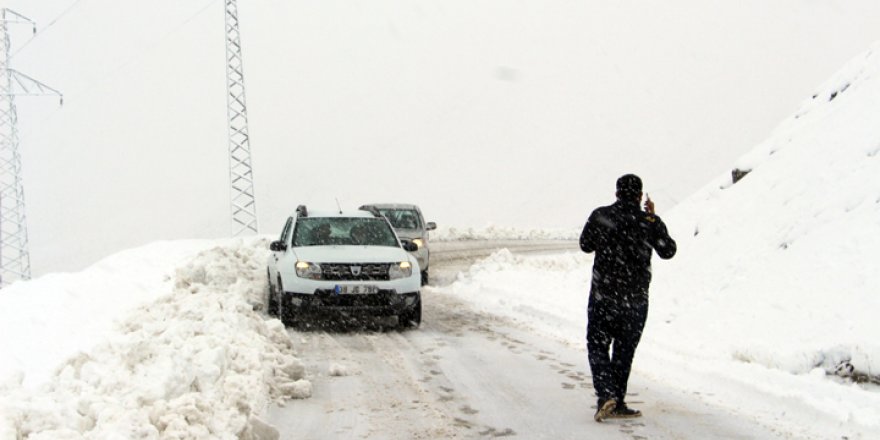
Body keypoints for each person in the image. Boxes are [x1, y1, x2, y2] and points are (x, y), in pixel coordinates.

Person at [579, 174, 677, 422]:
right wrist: (652, 219)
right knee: (624, 350)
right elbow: (668, 250)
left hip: (604, 295)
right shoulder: (648, 220)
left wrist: (607, 233)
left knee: (598, 345)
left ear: (616, 193)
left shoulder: (601, 215)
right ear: (640, 196)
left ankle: (607, 395)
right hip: (635, 299)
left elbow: (585, 245)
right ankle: (617, 399)